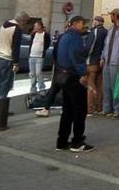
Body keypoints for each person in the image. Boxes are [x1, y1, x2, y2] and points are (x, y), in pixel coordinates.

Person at [52, 16, 94, 152]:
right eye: (83, 23)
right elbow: (76, 58)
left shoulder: (64, 37)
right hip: (74, 77)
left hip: (63, 76)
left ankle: (62, 141)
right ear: (75, 24)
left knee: (67, 111)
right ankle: (77, 142)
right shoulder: (75, 38)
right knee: (79, 111)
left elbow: (56, 54)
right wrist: (83, 74)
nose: (84, 26)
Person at [0, 12, 29, 115]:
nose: (25, 25)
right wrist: (16, 63)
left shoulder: (5, 24)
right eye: (25, 22)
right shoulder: (17, 29)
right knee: (5, 85)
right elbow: (15, 47)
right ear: (22, 21)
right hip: (7, 59)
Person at [86, 15, 107, 114]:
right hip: (102, 62)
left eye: (93, 21)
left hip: (92, 61)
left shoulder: (94, 32)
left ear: (96, 22)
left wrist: (85, 56)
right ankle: (99, 107)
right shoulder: (106, 32)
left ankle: (90, 108)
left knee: (91, 85)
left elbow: (90, 47)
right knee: (100, 85)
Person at [29, 20, 51, 95]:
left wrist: (43, 50)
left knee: (38, 72)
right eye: (34, 26)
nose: (35, 27)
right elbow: (31, 43)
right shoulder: (33, 34)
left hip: (40, 56)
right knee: (32, 73)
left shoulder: (46, 35)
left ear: (40, 26)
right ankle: (33, 88)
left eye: (36, 26)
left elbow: (48, 44)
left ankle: (42, 88)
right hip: (32, 55)